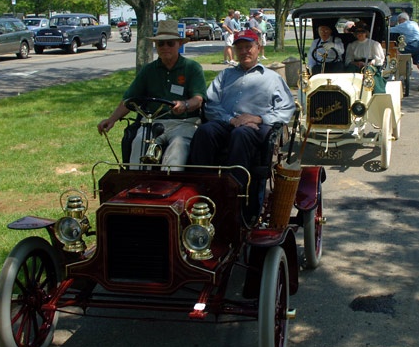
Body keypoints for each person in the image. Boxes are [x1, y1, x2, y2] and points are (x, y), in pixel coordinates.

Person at [188, 29, 296, 215]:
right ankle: (198, 189)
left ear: (258, 48)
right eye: (240, 48)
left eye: (249, 47)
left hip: (257, 127)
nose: (245, 51)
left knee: (241, 134)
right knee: (205, 131)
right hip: (227, 122)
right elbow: (211, 104)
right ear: (235, 51)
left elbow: (286, 109)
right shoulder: (225, 76)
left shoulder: (272, 78)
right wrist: (232, 120)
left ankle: (235, 195)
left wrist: (259, 118)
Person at [97, 19, 206, 169]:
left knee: (177, 149)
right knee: (139, 143)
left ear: (179, 44)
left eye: (170, 43)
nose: (165, 47)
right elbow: (129, 99)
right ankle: (138, 184)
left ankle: (168, 186)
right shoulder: (149, 70)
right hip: (153, 123)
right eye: (161, 43)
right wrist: (112, 119)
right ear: (156, 45)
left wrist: (185, 105)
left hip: (184, 122)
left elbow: (198, 99)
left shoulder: (192, 68)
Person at [390, 12, 419, 91]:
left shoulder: (403, 25)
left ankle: (399, 68)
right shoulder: (414, 23)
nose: (399, 22)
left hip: (413, 44)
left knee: (396, 50)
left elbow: (390, 30)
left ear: (402, 19)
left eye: (399, 21)